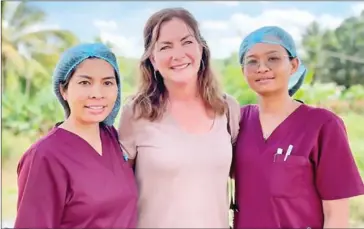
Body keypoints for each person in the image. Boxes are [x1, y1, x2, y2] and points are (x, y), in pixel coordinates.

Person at [118, 7, 240, 228]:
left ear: (201, 49)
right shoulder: (136, 113)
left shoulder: (228, 108)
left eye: (186, 42)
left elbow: (246, 174)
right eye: (165, 46)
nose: (178, 54)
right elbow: (115, 188)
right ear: (152, 59)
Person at [232, 26, 364, 229]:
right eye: (252, 61)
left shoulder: (324, 125)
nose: (262, 68)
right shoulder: (236, 120)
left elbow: (336, 216)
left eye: (273, 58)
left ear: (293, 65)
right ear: (243, 71)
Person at [14, 43, 138, 228]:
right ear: (63, 90)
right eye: (84, 82)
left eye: (107, 83)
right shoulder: (44, 156)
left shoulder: (113, 139)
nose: (97, 94)